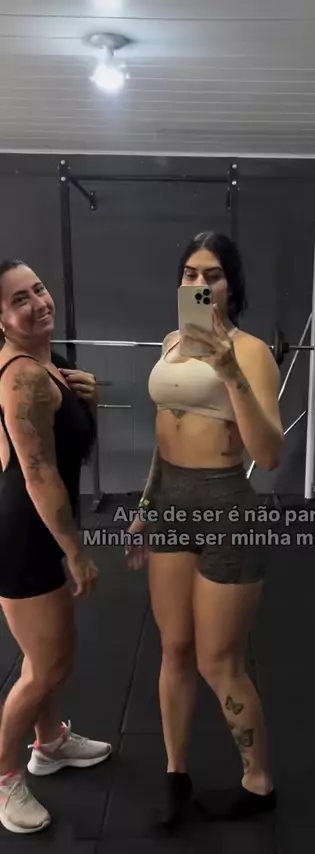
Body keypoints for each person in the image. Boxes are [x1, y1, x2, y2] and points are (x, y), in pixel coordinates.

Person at [125, 232, 283, 825]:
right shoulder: (171, 343)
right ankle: (176, 775)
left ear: (230, 285)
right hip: (170, 501)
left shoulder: (251, 351)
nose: (198, 284)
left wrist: (227, 369)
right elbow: (164, 434)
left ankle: (259, 782)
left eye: (211, 275)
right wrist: (146, 505)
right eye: (189, 274)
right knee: (175, 648)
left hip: (226, 505)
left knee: (219, 661)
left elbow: (268, 455)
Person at [0, 260, 112, 835]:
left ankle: (49, 744)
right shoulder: (21, 375)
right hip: (27, 536)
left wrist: (86, 403)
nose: (38, 303)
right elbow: (39, 474)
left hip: (36, 525)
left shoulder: (50, 363)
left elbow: (65, 451)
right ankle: (5, 778)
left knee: (43, 657)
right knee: (49, 665)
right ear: (0, 318)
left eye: (38, 289)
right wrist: (76, 551)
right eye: (19, 299)